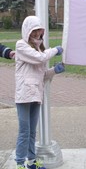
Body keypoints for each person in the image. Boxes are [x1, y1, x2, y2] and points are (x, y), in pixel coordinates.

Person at [14, 16, 65, 169]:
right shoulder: (21, 46)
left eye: (39, 31)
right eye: (34, 31)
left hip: (36, 94)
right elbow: (39, 59)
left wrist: (54, 71)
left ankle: (31, 161)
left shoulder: (39, 48)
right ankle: (20, 163)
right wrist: (55, 50)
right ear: (28, 31)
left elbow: (42, 75)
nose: (37, 35)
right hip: (24, 95)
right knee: (24, 131)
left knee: (31, 132)